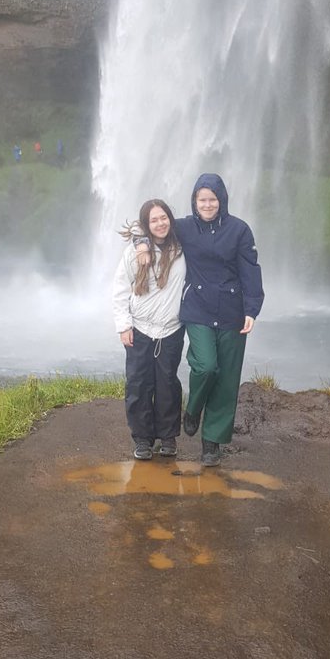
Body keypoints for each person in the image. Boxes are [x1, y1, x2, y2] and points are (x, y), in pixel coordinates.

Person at [135, 174, 264, 467]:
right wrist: (141, 244)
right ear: (194, 201)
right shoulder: (183, 227)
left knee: (227, 379)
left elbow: (250, 271)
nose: (207, 204)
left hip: (232, 311)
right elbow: (147, 225)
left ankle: (211, 443)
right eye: (201, 199)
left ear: (221, 200)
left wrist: (251, 309)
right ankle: (192, 409)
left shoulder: (239, 230)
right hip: (198, 309)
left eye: (212, 199)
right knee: (205, 366)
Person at [113, 199, 187, 461]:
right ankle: (142, 439)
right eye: (154, 220)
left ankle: (167, 437)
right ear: (146, 224)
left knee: (167, 384)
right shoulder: (135, 253)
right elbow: (121, 289)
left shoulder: (181, 246)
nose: (160, 223)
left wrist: (140, 238)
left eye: (164, 217)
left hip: (171, 329)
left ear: (170, 218)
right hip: (140, 329)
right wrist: (123, 326)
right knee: (138, 384)